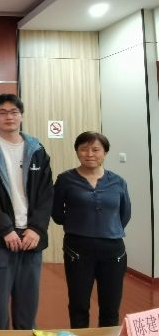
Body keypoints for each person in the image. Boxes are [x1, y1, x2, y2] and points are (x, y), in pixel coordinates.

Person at [0, 94, 54, 330]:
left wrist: (36, 228)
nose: (9, 117)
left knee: (28, 302)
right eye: (2, 112)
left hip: (31, 237)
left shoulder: (37, 149)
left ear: (21, 115)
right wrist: (5, 229)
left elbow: (46, 193)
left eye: (14, 112)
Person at [52, 131, 131, 328]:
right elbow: (57, 214)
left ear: (105, 153)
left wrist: (107, 228)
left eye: (96, 149)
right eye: (83, 149)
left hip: (113, 251)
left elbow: (125, 214)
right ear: (77, 152)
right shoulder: (65, 179)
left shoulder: (118, 181)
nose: (89, 154)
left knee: (110, 308)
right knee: (78, 305)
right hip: (77, 250)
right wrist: (79, 224)